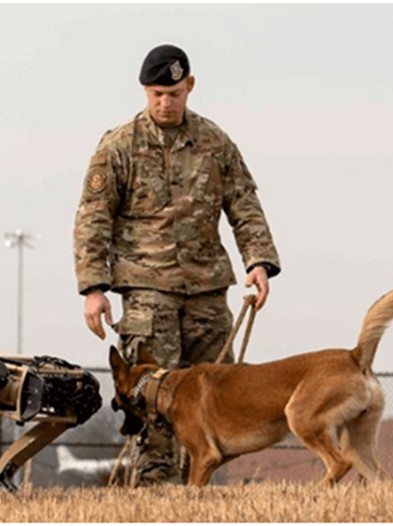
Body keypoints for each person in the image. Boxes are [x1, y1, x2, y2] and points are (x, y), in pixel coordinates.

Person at [73, 43, 281, 486]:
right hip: (148, 294)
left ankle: (198, 491)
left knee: (217, 399)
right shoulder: (119, 146)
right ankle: (154, 490)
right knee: (152, 398)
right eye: (155, 94)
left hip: (208, 291)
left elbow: (243, 203)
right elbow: (92, 218)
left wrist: (259, 261)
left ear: (189, 87)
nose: (164, 103)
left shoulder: (214, 142)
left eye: (173, 93)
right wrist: (94, 289)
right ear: (144, 92)